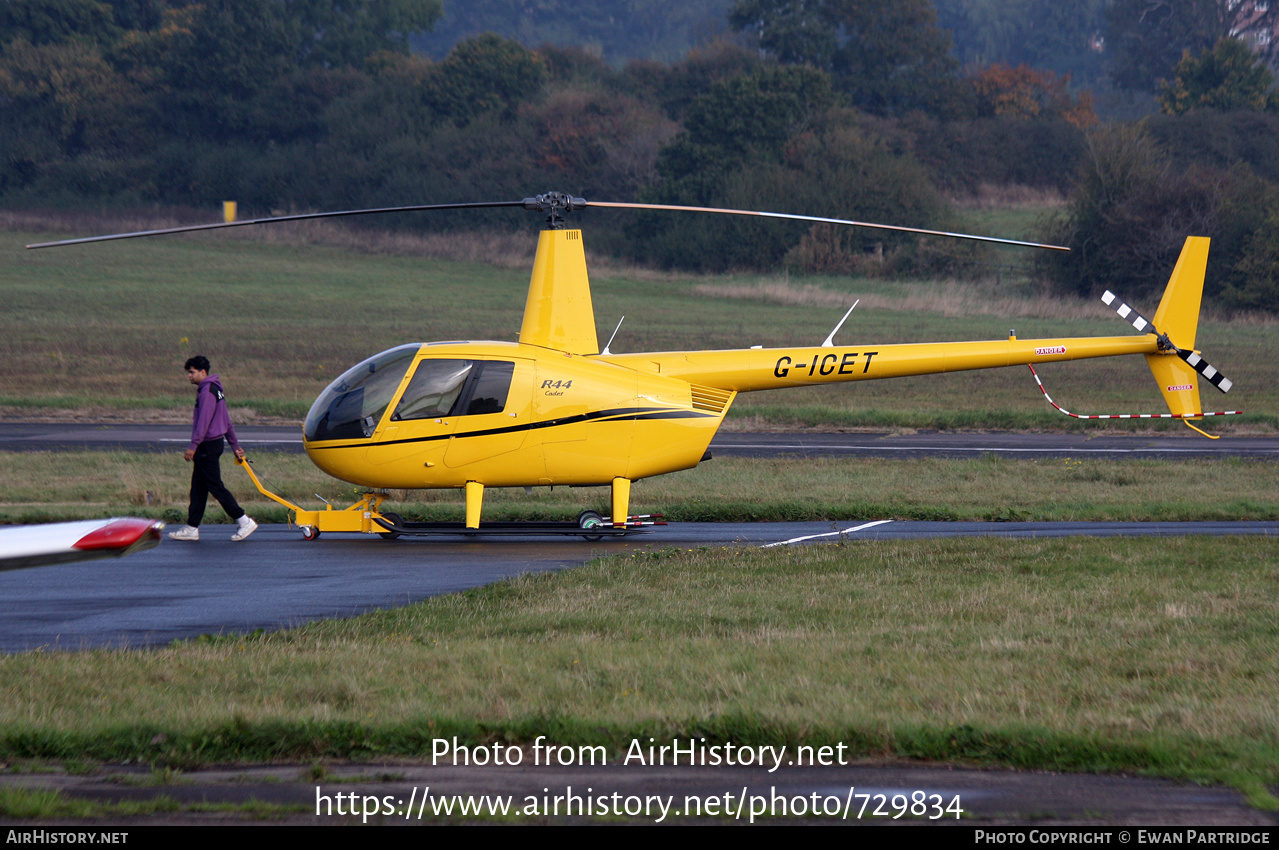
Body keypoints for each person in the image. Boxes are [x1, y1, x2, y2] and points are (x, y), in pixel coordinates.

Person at [168, 356, 258, 542]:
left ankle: (243, 520)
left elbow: (203, 423)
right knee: (199, 488)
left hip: (207, 446)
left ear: (203, 372)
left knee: (215, 486)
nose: (189, 376)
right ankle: (192, 528)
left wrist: (193, 446)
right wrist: (234, 445)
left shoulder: (207, 391)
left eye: (192, 372)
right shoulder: (216, 390)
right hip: (212, 444)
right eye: (189, 373)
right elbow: (226, 421)